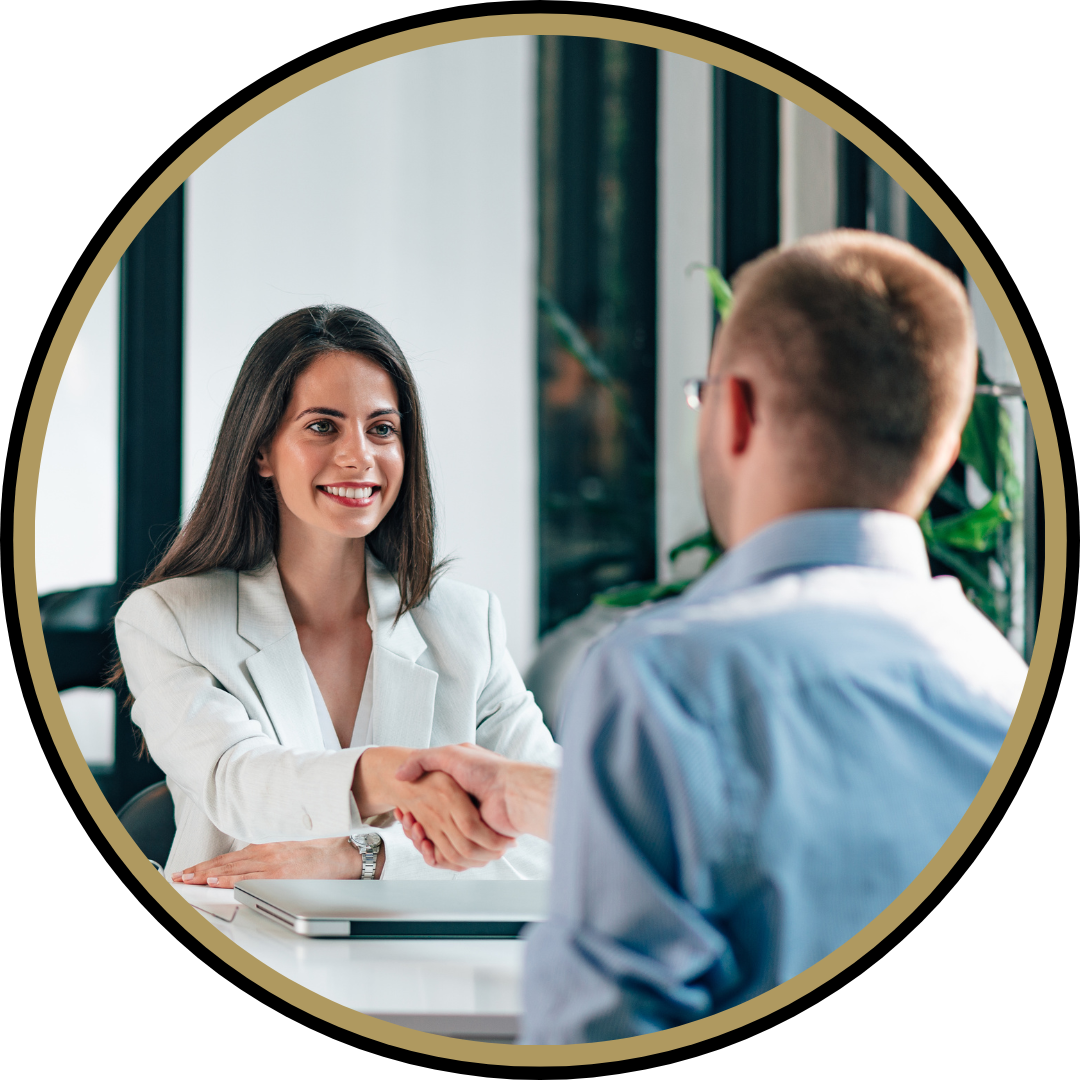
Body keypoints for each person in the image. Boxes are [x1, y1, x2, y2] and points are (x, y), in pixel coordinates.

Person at [394, 230, 1028, 1042]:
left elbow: (599, 1041)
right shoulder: (1006, 687)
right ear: (941, 447)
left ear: (737, 410)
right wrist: (526, 794)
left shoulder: (665, 678)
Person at [112, 305, 558, 885]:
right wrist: (408, 778)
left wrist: (365, 857)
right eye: (323, 426)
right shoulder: (169, 621)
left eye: (382, 429)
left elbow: (566, 831)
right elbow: (237, 782)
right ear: (261, 451)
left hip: (425, 963)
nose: (359, 455)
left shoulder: (468, 623)